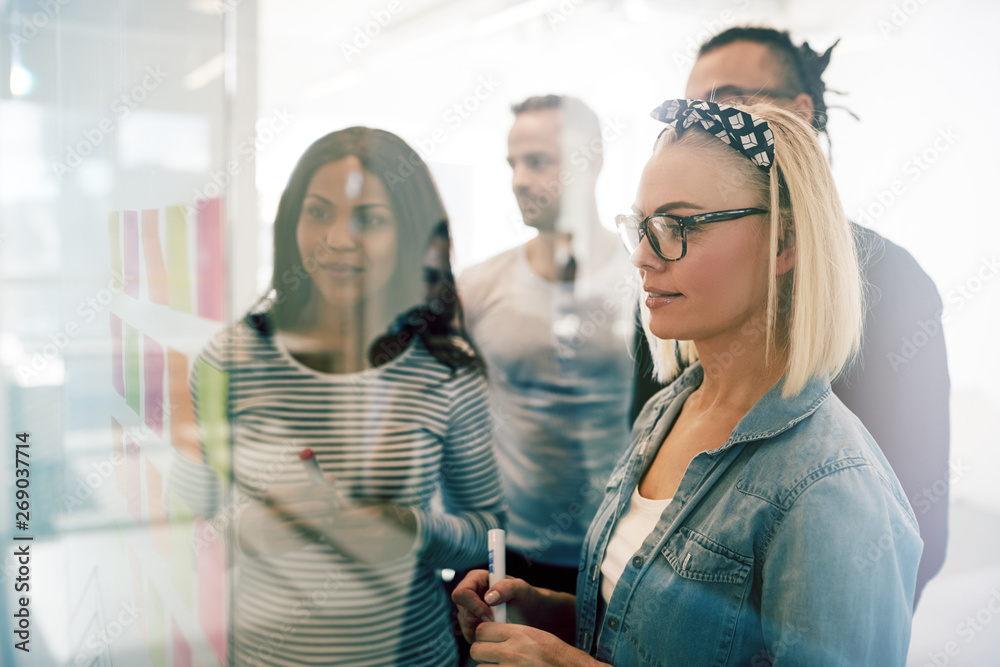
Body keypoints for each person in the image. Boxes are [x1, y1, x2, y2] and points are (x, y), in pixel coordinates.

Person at [454, 100, 922, 665]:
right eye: (644, 227)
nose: (644, 258)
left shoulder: (832, 492)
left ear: (784, 243)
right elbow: (648, 625)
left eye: (678, 227)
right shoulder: (669, 409)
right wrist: (542, 612)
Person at [630, 27, 950, 605]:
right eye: (693, 108)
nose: (703, 123)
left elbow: (912, 519)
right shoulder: (668, 294)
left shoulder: (891, 284)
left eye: (725, 103)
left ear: (799, 115)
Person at [170, 127, 504, 667]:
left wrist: (404, 529)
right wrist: (250, 526)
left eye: (369, 219)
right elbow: (187, 517)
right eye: (319, 212)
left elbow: (487, 531)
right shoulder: (228, 358)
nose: (338, 238)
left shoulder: (446, 371)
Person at [458, 95, 634, 594]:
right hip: (510, 554)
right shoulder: (477, 286)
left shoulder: (647, 282)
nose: (518, 179)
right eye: (513, 163)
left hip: (625, 554)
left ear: (592, 159)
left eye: (537, 161)